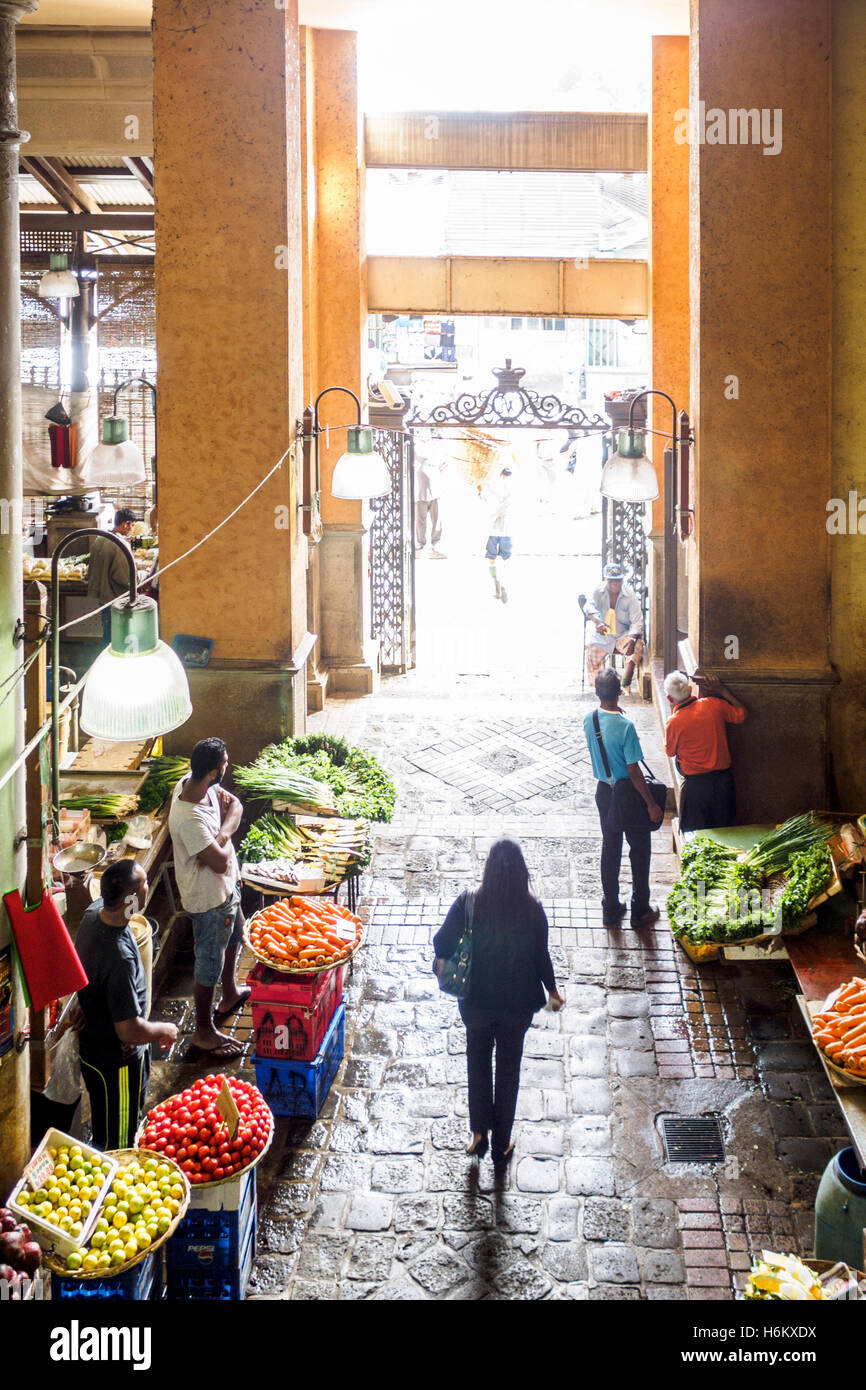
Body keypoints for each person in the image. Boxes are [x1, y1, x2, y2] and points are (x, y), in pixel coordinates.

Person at [432, 838, 564, 1169]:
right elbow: (541, 955)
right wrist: (552, 990)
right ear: (522, 872)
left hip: (475, 1001)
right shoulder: (532, 909)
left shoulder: (469, 902)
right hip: (516, 1006)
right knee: (508, 1069)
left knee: (477, 1062)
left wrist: (442, 962)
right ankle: (502, 1142)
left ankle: (479, 1134)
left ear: (488, 869)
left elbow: (441, 941)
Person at [75, 859, 177, 1150]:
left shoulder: (92, 914)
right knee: (119, 1137)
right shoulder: (118, 958)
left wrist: (86, 1000)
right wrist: (164, 1030)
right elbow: (130, 1031)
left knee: (110, 1117)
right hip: (115, 1062)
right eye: (145, 884)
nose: (148, 887)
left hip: (96, 1046)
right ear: (131, 899)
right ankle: (112, 1176)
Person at [168, 737, 249, 1060]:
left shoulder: (198, 785)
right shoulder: (189, 817)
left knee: (234, 938)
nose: (227, 767)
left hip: (226, 888)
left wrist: (221, 837)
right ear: (216, 770)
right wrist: (224, 837)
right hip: (209, 899)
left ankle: (229, 994)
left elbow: (237, 806)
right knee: (207, 965)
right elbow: (220, 861)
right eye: (225, 763)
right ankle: (203, 1031)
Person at [584, 666, 663, 929]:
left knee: (611, 848)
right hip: (628, 794)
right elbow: (633, 768)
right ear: (619, 693)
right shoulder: (626, 726)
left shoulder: (590, 719)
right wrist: (651, 804)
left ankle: (611, 906)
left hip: (604, 793)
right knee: (640, 849)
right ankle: (640, 908)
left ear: (597, 693)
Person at [664, 671, 747, 831]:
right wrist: (722, 690)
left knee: (695, 837)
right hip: (723, 783)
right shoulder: (713, 705)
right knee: (724, 833)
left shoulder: (674, 722)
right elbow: (742, 714)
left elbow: (670, 751)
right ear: (689, 688)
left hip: (695, 788)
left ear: (669, 698)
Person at [584, 561, 644, 692]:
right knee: (591, 651)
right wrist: (597, 621)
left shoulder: (629, 595)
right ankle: (600, 687)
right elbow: (588, 607)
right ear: (606, 580)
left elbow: (637, 621)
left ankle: (625, 683)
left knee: (638, 646)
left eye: (618, 581)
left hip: (623, 635)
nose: (615, 584)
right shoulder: (598, 591)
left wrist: (632, 639)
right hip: (602, 636)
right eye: (611, 581)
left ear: (622, 580)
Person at [87, 507, 137, 646]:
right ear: (126, 524)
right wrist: (142, 575)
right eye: (132, 525)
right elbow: (125, 578)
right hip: (116, 598)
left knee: (108, 634)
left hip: (103, 597)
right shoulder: (120, 544)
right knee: (116, 637)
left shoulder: (100, 539)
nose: (132, 529)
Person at [483, 465, 513, 604]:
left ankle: (498, 581)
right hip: (504, 529)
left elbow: (488, 501)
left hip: (496, 528)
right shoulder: (505, 487)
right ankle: (502, 582)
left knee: (493, 557)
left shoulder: (493, 486)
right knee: (504, 558)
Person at [415, 453, 446, 558]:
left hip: (435, 493)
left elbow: (445, 465)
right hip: (419, 494)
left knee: (437, 521)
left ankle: (436, 545)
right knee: (420, 521)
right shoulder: (415, 453)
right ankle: (420, 543)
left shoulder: (437, 453)